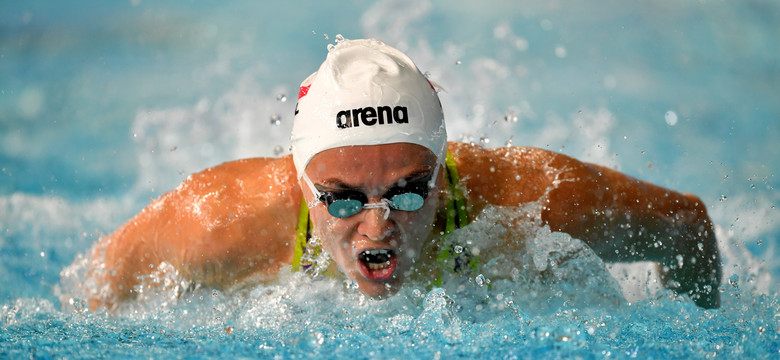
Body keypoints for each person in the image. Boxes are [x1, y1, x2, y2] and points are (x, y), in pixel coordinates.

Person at [79, 38, 721, 311]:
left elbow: (687, 225)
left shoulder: (534, 201)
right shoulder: (217, 222)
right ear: (302, 182)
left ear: (443, 171)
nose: (377, 226)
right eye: (342, 200)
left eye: (409, 189)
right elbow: (99, 286)